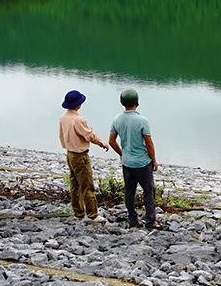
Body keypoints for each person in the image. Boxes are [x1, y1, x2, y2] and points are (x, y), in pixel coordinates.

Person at [108, 88, 162, 229]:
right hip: (142, 163)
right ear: (137, 102)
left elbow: (111, 141)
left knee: (129, 192)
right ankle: (150, 222)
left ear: (122, 103)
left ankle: (133, 220)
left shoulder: (117, 119)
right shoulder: (142, 120)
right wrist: (154, 160)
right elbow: (148, 144)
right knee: (148, 192)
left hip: (127, 162)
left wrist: (121, 153)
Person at [58, 89, 109, 222]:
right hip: (80, 156)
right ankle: (92, 214)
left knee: (75, 185)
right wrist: (101, 143)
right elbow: (89, 135)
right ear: (78, 104)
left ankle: (78, 213)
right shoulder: (78, 120)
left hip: (69, 154)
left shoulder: (63, 117)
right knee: (87, 185)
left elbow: (61, 135)